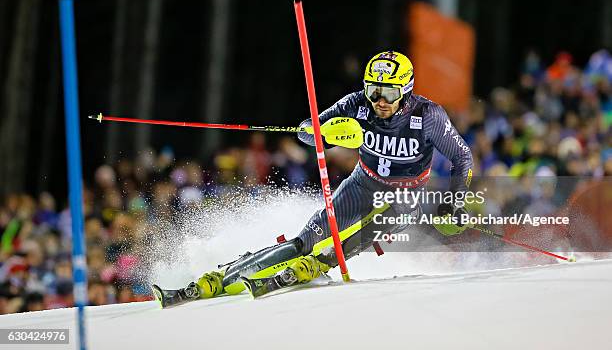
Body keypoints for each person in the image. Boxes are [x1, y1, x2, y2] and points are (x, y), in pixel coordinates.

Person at [153, 50, 474, 306]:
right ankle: (224, 275)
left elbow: (462, 157)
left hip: (407, 195)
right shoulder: (357, 105)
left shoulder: (428, 116)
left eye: (388, 93)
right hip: (363, 183)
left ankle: (320, 263)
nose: (380, 101)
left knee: (367, 227)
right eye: (374, 91)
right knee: (306, 238)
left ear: (404, 90)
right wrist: (325, 133)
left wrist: (455, 203)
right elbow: (307, 131)